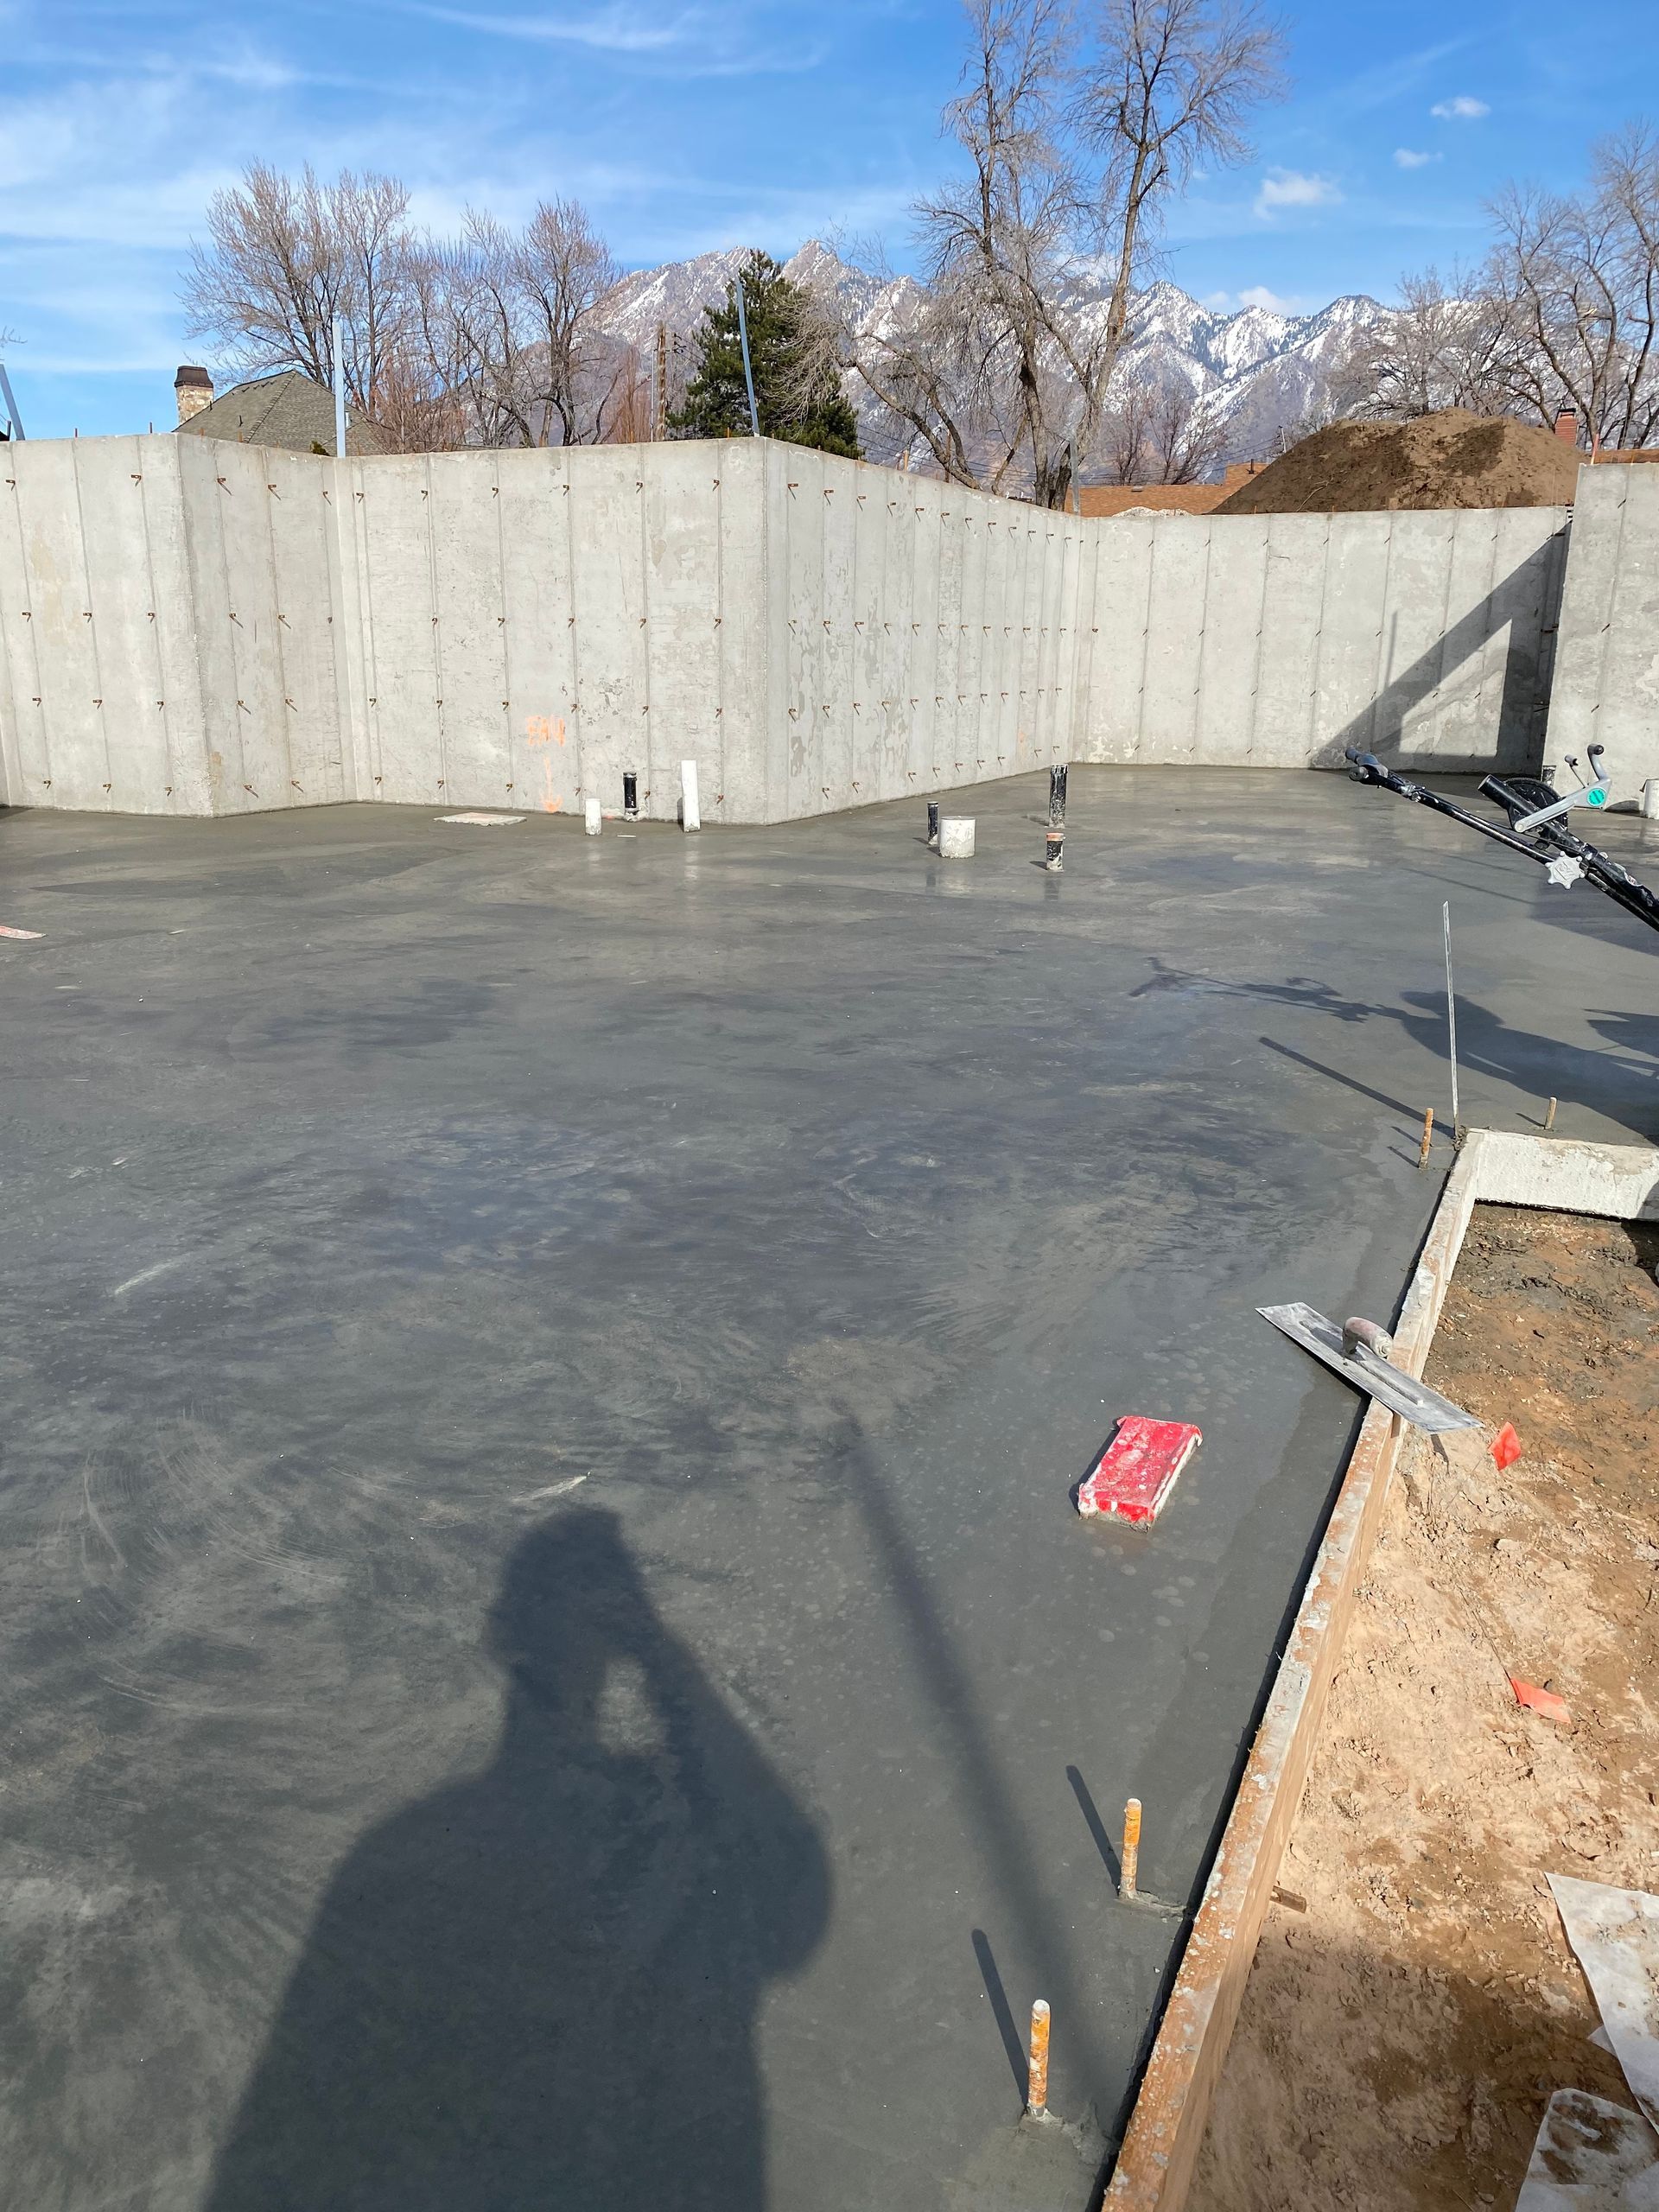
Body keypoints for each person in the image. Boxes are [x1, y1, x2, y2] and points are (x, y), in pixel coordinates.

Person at [207, 1506, 828, 2209]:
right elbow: (792, 1906)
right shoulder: (422, 1847)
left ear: (499, 1638)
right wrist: (662, 1656)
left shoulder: (402, 1846)